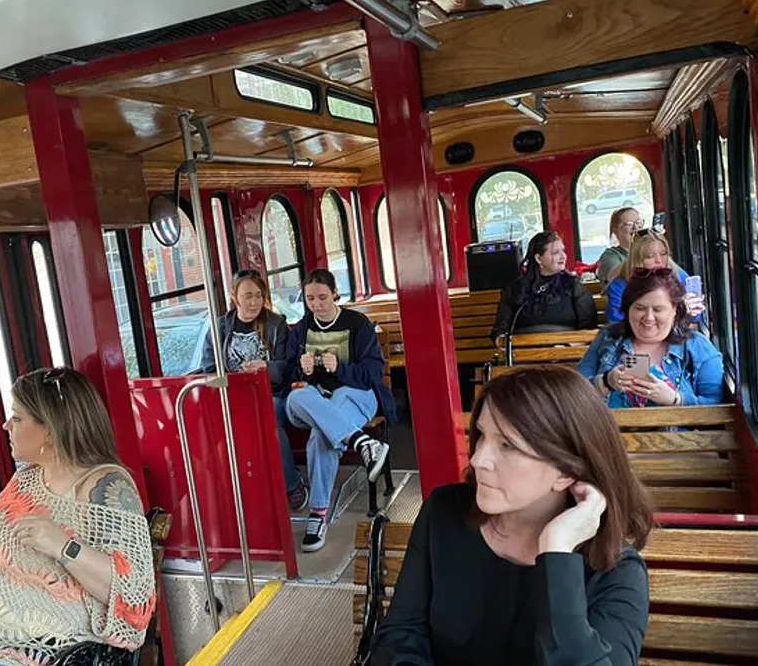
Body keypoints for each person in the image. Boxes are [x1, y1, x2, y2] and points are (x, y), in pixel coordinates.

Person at [369, 366, 653, 665]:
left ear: (567, 471)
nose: (478, 460)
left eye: (507, 446)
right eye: (482, 436)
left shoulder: (615, 573)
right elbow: (403, 633)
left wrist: (556, 551)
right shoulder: (445, 511)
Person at [0, 368, 156, 666]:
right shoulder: (25, 479)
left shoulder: (105, 485)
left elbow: (134, 594)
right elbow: (8, 558)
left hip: (48, 654)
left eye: (17, 418)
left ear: (50, 430)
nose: (5, 425)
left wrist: (65, 548)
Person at [284, 269, 396, 552]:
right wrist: (302, 369)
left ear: (334, 293)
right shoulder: (301, 329)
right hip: (313, 400)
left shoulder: (357, 324)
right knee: (297, 396)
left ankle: (318, 514)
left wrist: (340, 368)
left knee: (321, 436)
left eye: (322, 297)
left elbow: (372, 373)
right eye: (310, 298)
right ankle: (362, 442)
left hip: (355, 395)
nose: (316, 304)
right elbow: (289, 373)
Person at [201, 269, 306, 511]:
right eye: (247, 296)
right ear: (234, 297)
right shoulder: (219, 328)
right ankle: (231, 493)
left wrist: (265, 368)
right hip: (233, 395)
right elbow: (210, 366)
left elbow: (288, 366)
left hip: (271, 393)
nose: (254, 302)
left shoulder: (275, 324)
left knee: (268, 419)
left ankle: (292, 484)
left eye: (258, 296)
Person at [577, 269, 725, 407]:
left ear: (675, 310)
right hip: (610, 433)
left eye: (658, 309)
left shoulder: (697, 345)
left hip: (678, 435)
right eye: (640, 308)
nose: (648, 318)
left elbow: (716, 404)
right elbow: (574, 392)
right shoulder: (608, 338)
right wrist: (605, 382)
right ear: (628, 310)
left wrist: (676, 399)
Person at [489, 231, 598, 343]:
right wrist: (506, 344)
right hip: (523, 352)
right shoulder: (516, 289)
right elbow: (500, 330)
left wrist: (568, 346)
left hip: (565, 352)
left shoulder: (573, 286)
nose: (563, 256)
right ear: (539, 259)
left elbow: (589, 330)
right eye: (555, 253)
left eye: (563, 251)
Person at [604, 229, 704, 324]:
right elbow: (617, 323)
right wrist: (677, 312)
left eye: (664, 254)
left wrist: (693, 308)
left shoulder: (678, 275)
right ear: (637, 259)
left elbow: (695, 317)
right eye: (650, 256)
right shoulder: (619, 286)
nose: (659, 260)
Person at [596, 207, 641, 284]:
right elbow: (613, 278)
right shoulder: (610, 255)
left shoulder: (647, 252)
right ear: (615, 230)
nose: (635, 227)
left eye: (638, 222)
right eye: (629, 224)